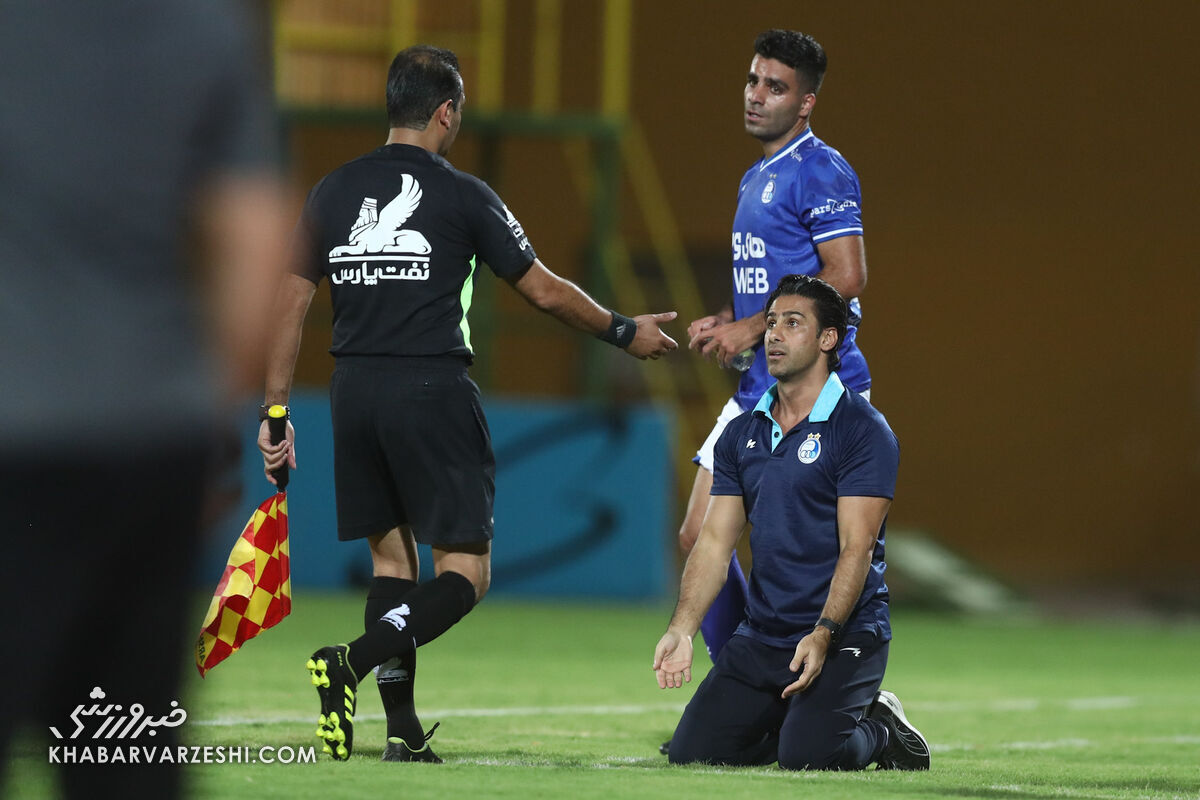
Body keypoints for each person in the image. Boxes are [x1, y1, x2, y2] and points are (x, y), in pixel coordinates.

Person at [258, 45, 678, 763]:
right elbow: (542, 289)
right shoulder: (463, 194)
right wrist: (620, 330)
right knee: (465, 575)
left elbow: (288, 306)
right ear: (446, 112)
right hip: (431, 390)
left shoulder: (331, 191)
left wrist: (275, 417)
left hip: (351, 393)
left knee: (393, 568)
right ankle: (348, 664)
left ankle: (401, 733)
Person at [0, 2, 287, 798]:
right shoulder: (204, 28)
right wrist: (212, 425)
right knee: (122, 759)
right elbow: (259, 240)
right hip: (151, 438)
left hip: (13, 436)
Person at [653, 275, 928, 771]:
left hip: (843, 635)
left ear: (829, 339)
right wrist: (682, 629)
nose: (773, 334)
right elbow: (714, 542)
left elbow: (856, 549)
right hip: (762, 636)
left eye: (792, 323)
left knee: (809, 757)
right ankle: (793, 722)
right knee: (694, 755)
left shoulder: (862, 430)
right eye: (772, 322)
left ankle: (880, 728)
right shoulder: (741, 432)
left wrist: (823, 634)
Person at [677, 29, 874, 678]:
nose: (756, 96)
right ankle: (744, 678)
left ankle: (840, 681)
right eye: (752, 80)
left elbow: (845, 277)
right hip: (760, 390)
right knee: (697, 533)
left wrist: (752, 329)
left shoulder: (821, 168)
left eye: (776, 87)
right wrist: (735, 329)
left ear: (807, 102)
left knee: (810, 558)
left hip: (820, 396)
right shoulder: (756, 175)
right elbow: (785, 284)